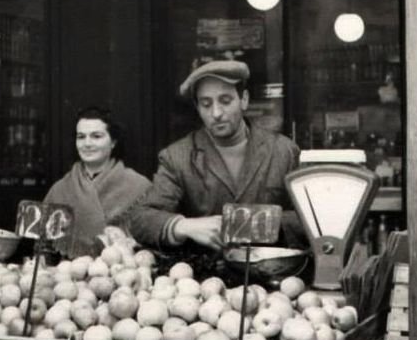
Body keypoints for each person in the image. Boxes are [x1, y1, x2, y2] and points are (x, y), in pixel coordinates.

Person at [128, 60, 302, 251]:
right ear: (197, 108)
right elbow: (140, 218)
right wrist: (183, 226)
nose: (216, 113)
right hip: (203, 276)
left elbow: (310, 220)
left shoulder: (283, 151)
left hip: (272, 273)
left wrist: (248, 223)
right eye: (206, 104)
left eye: (225, 101)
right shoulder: (177, 157)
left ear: (243, 100)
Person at [44, 107, 151, 257]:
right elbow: (45, 249)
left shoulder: (139, 187)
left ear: (113, 142)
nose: (87, 143)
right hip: (70, 275)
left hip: (124, 272)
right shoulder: (59, 190)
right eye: (81, 137)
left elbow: (151, 241)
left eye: (96, 136)